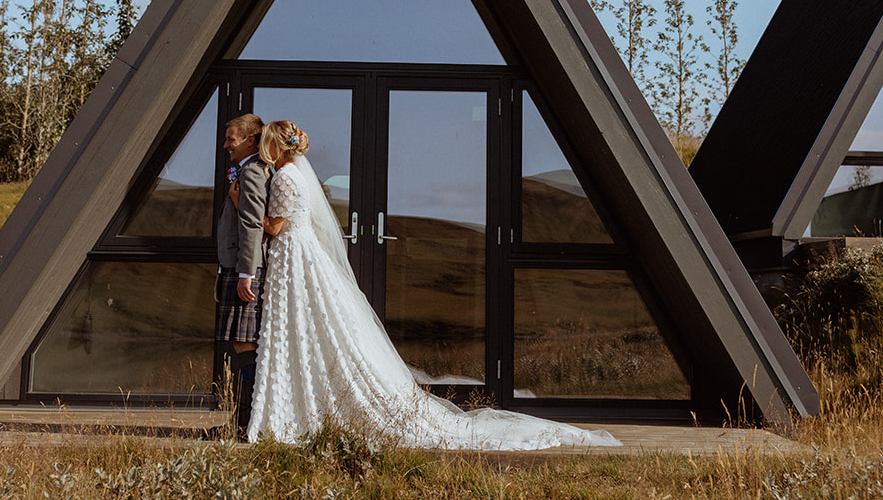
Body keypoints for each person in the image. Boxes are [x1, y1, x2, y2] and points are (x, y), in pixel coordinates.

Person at [246, 120, 621, 450]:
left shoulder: (283, 178)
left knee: (296, 325)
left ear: (276, 145)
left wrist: (240, 203)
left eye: (266, 143)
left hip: (293, 254)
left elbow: (275, 227)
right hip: (301, 254)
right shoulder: (297, 175)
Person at [215, 112, 270, 438]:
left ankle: (246, 421)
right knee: (243, 342)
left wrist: (245, 273)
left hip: (244, 268)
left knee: (244, 342)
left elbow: (251, 223)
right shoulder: (248, 169)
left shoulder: (252, 172)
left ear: (250, 139)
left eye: (231, 139)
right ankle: (245, 419)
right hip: (236, 266)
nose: (226, 145)